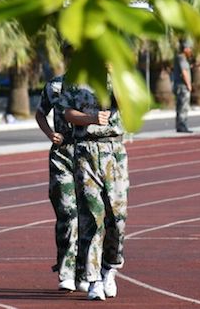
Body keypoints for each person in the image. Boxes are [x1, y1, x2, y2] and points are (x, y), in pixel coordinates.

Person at [63, 78, 128, 301]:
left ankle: (109, 268)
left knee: (117, 217)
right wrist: (91, 118)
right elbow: (66, 112)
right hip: (86, 150)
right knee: (92, 215)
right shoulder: (75, 77)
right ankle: (94, 280)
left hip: (115, 150)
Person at [35, 70, 86, 292]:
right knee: (67, 212)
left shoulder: (99, 85)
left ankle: (86, 271)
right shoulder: (55, 85)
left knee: (90, 215)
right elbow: (40, 113)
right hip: (62, 153)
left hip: (90, 152)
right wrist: (49, 133)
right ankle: (66, 270)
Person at [172, 39, 194, 133]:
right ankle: (182, 125)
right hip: (182, 86)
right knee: (183, 107)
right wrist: (189, 84)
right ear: (185, 49)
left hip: (179, 86)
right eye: (189, 48)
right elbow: (184, 72)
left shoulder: (180, 58)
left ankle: (180, 125)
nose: (191, 51)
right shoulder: (182, 58)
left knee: (180, 106)